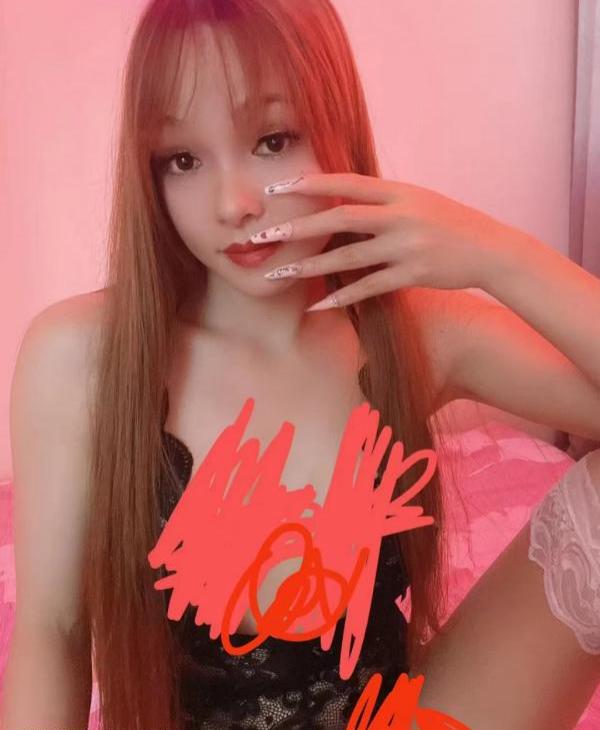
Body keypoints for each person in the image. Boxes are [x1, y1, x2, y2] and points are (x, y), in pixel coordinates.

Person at [2, 0, 600, 728]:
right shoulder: (83, 356)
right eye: (183, 159)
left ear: (337, 123)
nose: (233, 204)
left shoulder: (415, 331)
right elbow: (54, 631)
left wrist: (496, 255)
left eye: (273, 140)